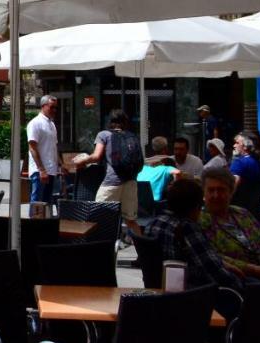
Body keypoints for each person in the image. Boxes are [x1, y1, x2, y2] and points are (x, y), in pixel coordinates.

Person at [142, 177, 243, 292]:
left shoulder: (154, 223)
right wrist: (242, 284)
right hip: (191, 292)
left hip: (161, 289)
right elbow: (213, 270)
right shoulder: (185, 228)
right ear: (196, 207)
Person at [199, 165, 260, 280]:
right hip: (236, 279)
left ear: (231, 192)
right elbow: (212, 256)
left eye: (221, 190)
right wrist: (252, 269)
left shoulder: (242, 213)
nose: (216, 195)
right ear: (203, 193)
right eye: (211, 190)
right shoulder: (200, 220)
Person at [72, 108, 142, 238]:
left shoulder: (104, 134)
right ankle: (143, 252)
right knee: (131, 220)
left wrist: (82, 160)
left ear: (110, 121)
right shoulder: (132, 136)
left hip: (112, 182)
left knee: (97, 216)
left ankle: (98, 249)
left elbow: (97, 156)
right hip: (131, 181)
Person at [27, 95, 60, 204]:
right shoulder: (35, 123)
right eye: (52, 107)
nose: (54, 110)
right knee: (37, 202)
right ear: (43, 106)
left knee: (47, 203)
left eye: (56, 108)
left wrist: (60, 164)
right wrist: (41, 170)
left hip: (51, 170)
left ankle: (44, 221)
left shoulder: (51, 124)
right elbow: (32, 147)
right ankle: (33, 221)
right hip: (39, 171)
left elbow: (54, 147)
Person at [228, 131, 260, 214]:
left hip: (237, 210)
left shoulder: (239, 163)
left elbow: (232, 185)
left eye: (237, 143)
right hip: (254, 211)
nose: (234, 145)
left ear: (245, 146)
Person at [137, 136, 180, 202]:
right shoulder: (169, 163)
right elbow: (177, 173)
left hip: (140, 200)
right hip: (157, 201)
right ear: (166, 148)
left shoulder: (144, 164)